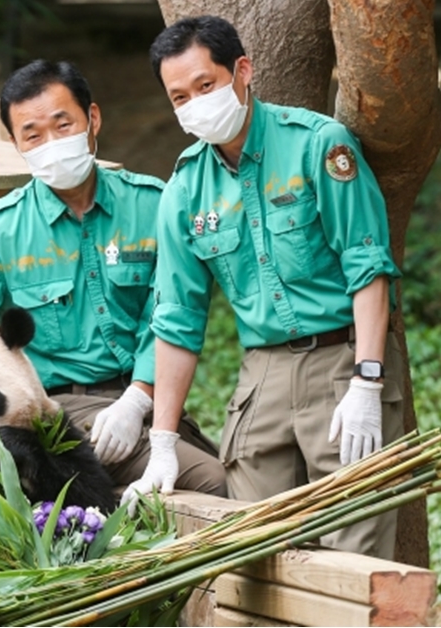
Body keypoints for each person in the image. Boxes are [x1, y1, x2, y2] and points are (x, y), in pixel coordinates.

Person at [0, 59, 226, 499]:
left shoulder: (152, 205)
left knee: (218, 475)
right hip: (53, 411)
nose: (52, 144)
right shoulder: (2, 230)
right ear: (15, 142)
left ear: (92, 119)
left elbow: (169, 313)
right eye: (33, 135)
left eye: (63, 126)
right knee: (211, 483)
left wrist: (137, 399)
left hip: (144, 399)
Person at [132, 15, 404, 560]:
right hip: (263, 379)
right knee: (256, 555)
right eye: (179, 96)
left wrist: (368, 382)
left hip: (343, 361)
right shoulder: (184, 190)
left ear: (242, 71)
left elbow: (367, 265)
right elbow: (177, 320)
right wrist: (162, 441)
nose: (194, 104)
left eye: (205, 86)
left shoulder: (317, 145)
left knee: (356, 550)